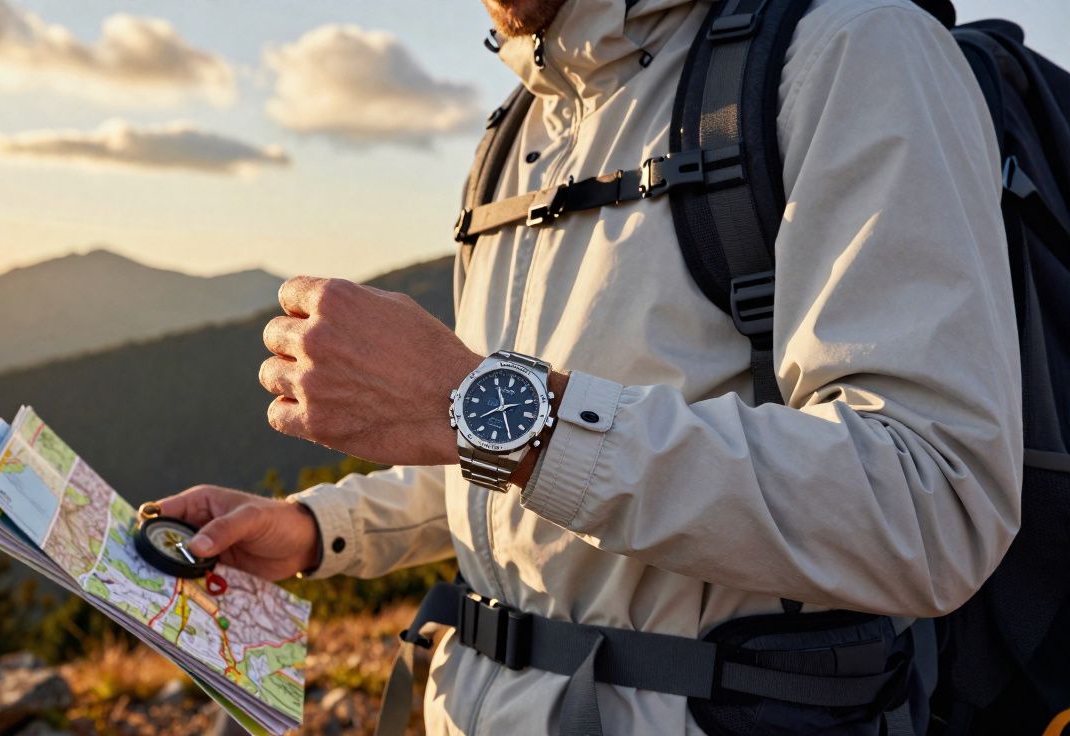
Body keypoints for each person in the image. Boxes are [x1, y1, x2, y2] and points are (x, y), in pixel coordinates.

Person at [154, 0, 1022, 732]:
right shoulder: (515, 132)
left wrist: (483, 405)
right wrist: (315, 528)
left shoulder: (854, 48)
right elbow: (515, 469)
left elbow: (932, 502)